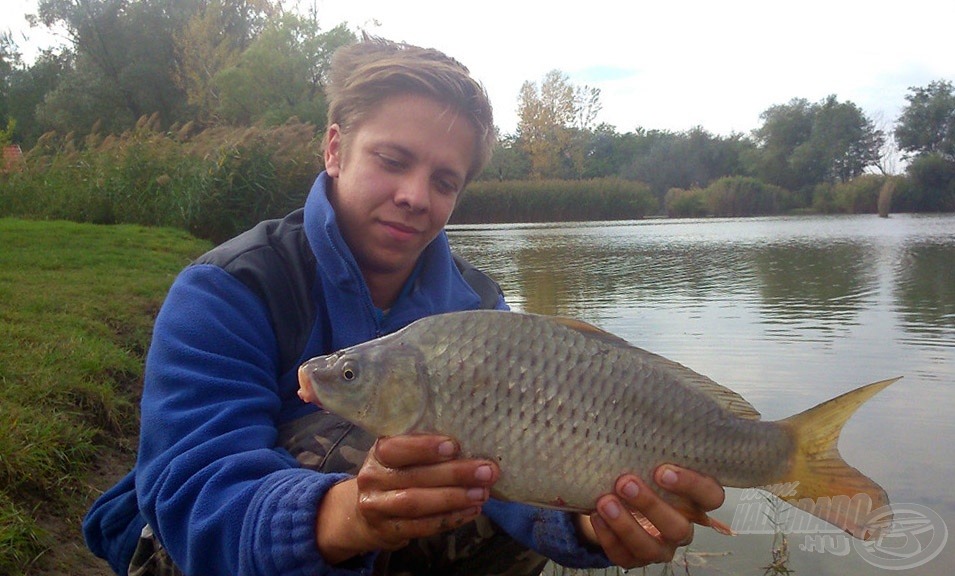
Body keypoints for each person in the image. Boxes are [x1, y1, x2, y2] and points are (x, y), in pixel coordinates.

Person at [83, 36, 725, 576]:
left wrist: (590, 524)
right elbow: (192, 491)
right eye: (392, 161)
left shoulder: (477, 306)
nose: (415, 196)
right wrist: (347, 514)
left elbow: (513, 470)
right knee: (348, 443)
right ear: (334, 149)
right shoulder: (228, 289)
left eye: (444, 181)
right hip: (199, 550)